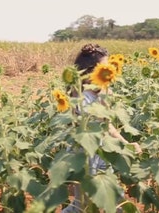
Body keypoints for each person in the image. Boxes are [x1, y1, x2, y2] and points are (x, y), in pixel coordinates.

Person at [61, 43, 142, 213]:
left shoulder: (89, 92)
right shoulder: (82, 98)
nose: (108, 71)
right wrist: (125, 144)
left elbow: (106, 125)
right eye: (104, 68)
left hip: (99, 153)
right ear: (91, 70)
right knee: (83, 204)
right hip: (86, 155)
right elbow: (105, 127)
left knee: (109, 198)